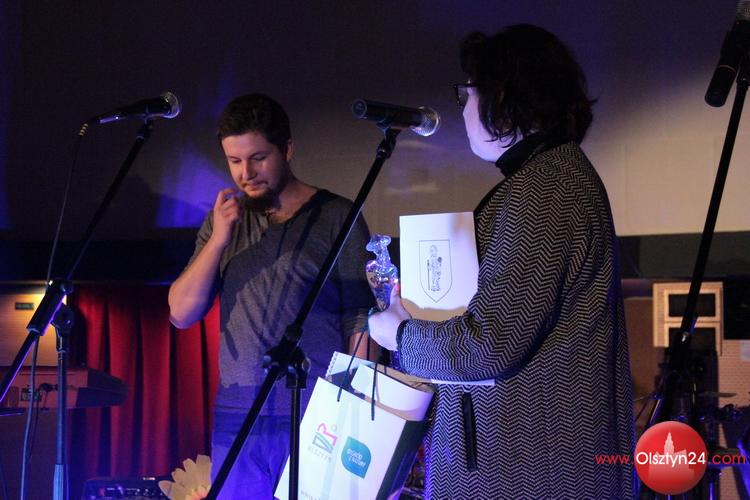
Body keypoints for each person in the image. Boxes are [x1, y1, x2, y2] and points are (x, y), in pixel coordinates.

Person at [369, 24, 635, 499]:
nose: (463, 107)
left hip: (532, 474)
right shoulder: (548, 178)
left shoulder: (546, 188)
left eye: (467, 93)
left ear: (504, 97)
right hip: (530, 467)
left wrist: (400, 335)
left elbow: (491, 345)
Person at [168, 93, 375, 498]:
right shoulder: (224, 222)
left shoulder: (336, 216)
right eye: (234, 161)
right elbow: (180, 312)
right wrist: (219, 240)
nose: (246, 173)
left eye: (258, 158)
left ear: (288, 150)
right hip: (238, 415)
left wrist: (351, 406)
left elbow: (360, 316)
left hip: (314, 411)